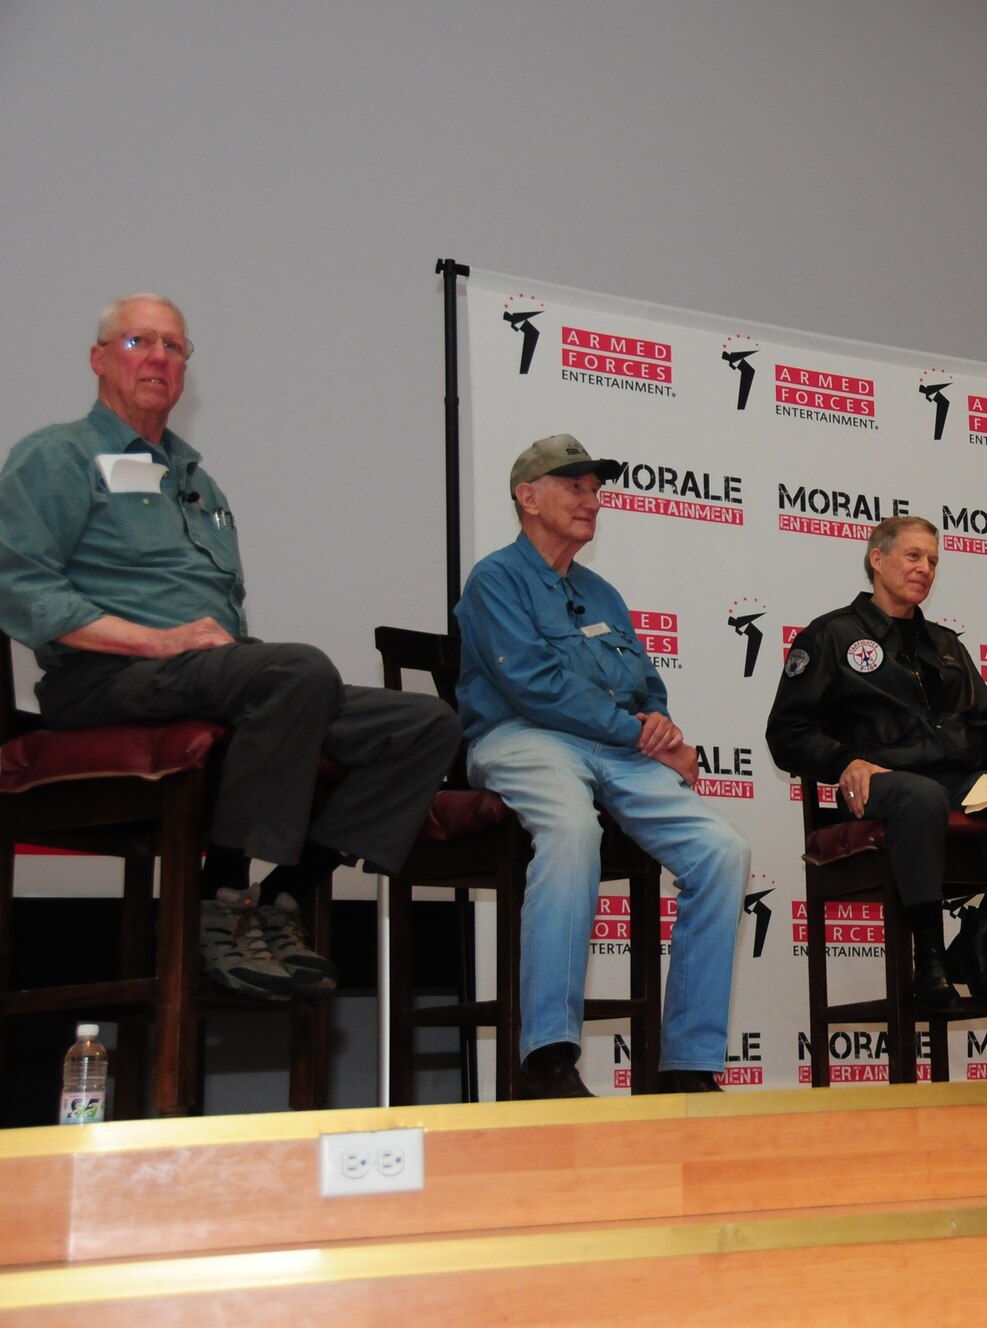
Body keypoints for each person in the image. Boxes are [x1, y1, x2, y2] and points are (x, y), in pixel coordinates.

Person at [0, 293, 459, 998]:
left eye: (173, 346)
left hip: (199, 678)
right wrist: (155, 642)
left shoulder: (196, 483)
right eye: (138, 342)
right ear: (98, 359)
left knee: (424, 724)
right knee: (297, 669)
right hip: (105, 679)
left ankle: (283, 896)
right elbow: (18, 586)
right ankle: (219, 902)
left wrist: (218, 660)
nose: (158, 357)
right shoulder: (58, 456)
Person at [455, 434, 749, 1098]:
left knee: (723, 851)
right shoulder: (495, 579)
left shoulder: (602, 593)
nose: (592, 500)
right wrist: (639, 733)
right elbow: (533, 685)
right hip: (523, 737)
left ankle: (686, 1063)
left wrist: (658, 723)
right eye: (575, 487)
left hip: (615, 749)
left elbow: (645, 684)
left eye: (595, 489)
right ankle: (547, 1056)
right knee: (571, 831)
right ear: (528, 499)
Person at [766, 516, 987, 1010]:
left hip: (959, 783)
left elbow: (985, 725)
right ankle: (930, 961)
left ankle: (977, 937)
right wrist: (845, 760)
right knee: (921, 794)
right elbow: (787, 733)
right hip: (881, 786)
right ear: (877, 559)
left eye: (933, 561)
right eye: (913, 556)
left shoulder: (945, 644)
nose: (925, 569)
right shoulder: (830, 635)